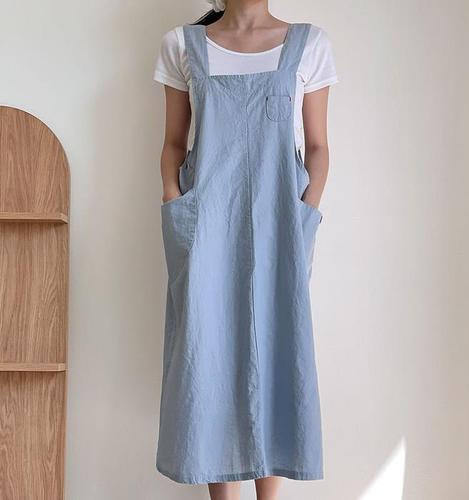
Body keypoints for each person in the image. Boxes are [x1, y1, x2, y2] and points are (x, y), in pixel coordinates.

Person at [153, 1, 339, 499]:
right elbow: (173, 143)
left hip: (281, 221)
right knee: (208, 349)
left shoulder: (309, 44)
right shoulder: (182, 45)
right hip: (206, 222)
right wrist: (174, 201)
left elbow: (318, 146)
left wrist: (306, 209)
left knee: (277, 342)